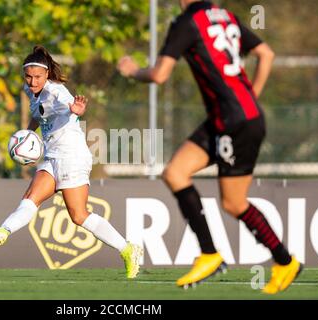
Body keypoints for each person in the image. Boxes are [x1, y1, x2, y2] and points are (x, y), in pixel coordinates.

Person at [117, 0, 302, 293]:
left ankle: (284, 261)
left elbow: (159, 75)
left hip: (234, 123)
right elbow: (266, 54)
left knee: (233, 203)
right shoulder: (225, 16)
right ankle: (210, 254)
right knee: (176, 173)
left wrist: (132, 71)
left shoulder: (187, 22)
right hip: (229, 118)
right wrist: (250, 97)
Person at [0, 45, 143, 279]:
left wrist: (76, 109)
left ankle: (128, 249)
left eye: (38, 77)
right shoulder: (29, 89)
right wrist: (28, 135)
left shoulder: (56, 91)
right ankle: (2, 232)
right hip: (52, 156)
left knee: (79, 215)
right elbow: (37, 113)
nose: (32, 82)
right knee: (30, 199)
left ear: (47, 75)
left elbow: (70, 105)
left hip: (72, 157)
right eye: (29, 77)